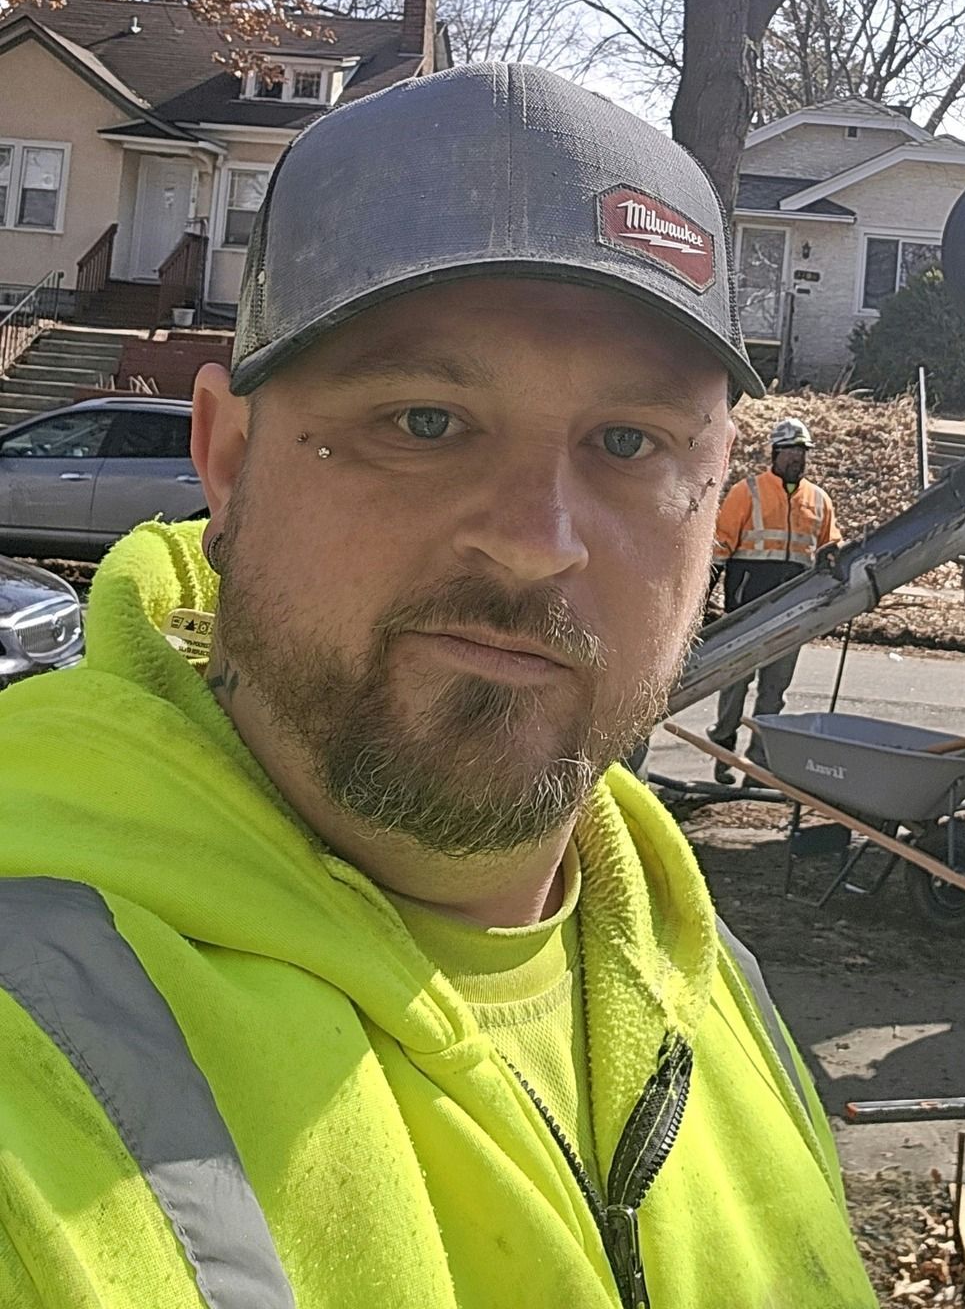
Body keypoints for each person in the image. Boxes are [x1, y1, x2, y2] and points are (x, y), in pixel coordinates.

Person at [0, 64, 875, 1309]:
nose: (535, 539)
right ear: (229, 459)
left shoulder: (705, 977)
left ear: (714, 487)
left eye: (629, 442)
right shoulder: (33, 1033)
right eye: (423, 419)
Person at [706, 418, 841, 778]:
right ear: (776, 453)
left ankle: (758, 764)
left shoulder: (819, 500)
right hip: (748, 609)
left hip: (792, 612)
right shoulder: (746, 492)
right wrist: (705, 599)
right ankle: (722, 751)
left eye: (803, 452)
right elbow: (720, 548)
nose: (799, 458)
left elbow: (830, 551)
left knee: (774, 691)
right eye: (793, 451)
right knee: (735, 684)